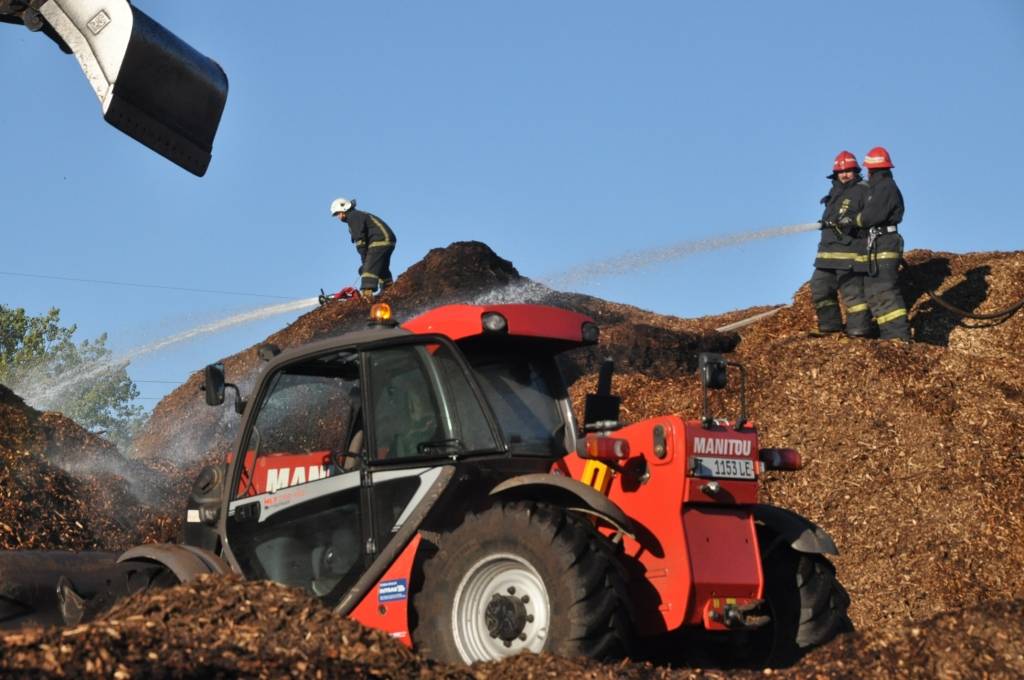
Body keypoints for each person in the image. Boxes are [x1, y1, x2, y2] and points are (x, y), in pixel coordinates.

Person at [847, 147, 909, 342]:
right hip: (877, 243)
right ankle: (889, 335)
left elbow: (870, 217)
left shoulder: (885, 187)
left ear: (871, 169)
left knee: (884, 289)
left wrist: (851, 220)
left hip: (884, 243)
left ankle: (898, 336)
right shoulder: (879, 187)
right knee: (874, 290)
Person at [809, 151, 873, 337]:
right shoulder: (834, 192)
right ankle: (830, 326)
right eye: (841, 172)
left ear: (855, 171)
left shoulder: (864, 190)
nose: (844, 175)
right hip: (826, 254)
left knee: (853, 294)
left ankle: (859, 331)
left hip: (850, 253)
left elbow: (869, 217)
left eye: (848, 171)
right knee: (819, 287)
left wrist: (850, 221)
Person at [329, 198, 397, 302]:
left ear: (344, 208)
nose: (338, 217)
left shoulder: (353, 217)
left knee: (369, 269)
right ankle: (388, 288)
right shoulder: (356, 216)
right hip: (387, 240)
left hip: (380, 240)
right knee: (380, 267)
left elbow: (360, 241)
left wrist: (365, 263)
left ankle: (367, 294)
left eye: (338, 213)